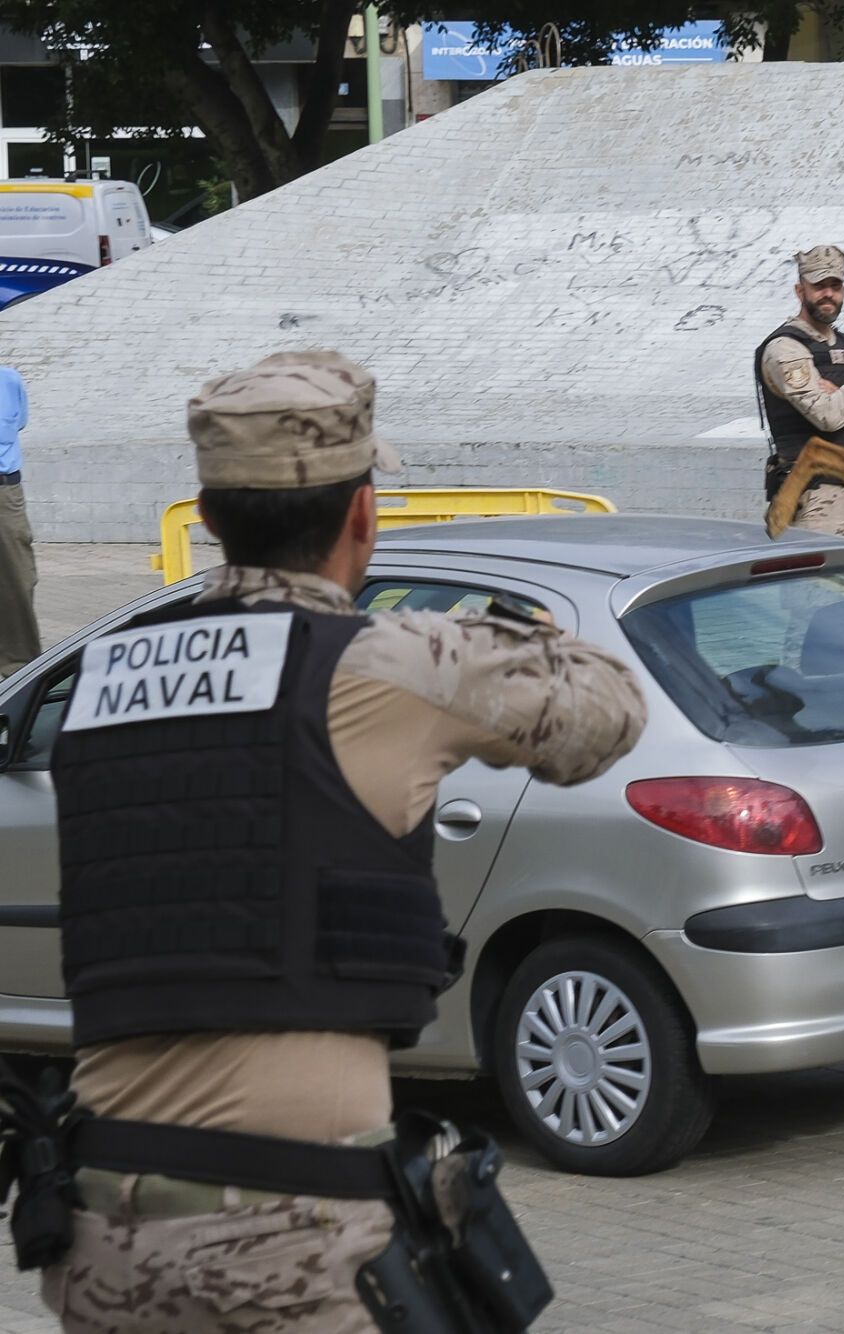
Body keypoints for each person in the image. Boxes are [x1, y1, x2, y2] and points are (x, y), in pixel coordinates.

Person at [38, 351, 648, 1330]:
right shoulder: (382, 661)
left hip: (102, 1226)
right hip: (292, 1235)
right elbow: (606, 716)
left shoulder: (103, 681)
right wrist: (503, 632)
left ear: (205, 514)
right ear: (363, 513)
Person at [756, 244, 844, 540]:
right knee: (807, 584)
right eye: (818, 286)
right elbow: (827, 417)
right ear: (800, 291)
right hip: (819, 498)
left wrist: (843, 394)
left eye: (835, 285)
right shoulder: (785, 348)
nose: (828, 293)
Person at [0, 363, 36, 678]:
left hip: (5, 492)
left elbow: (20, 422)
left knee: (18, 579)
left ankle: (20, 672)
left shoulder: (9, 380)